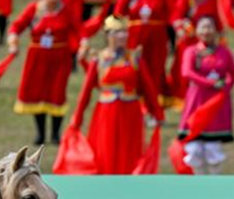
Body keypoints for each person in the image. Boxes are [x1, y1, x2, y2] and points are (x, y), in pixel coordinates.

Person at [70, 15, 164, 174]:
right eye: (117, 32)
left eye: (124, 32)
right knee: (106, 152)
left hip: (130, 113)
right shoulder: (98, 58)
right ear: (108, 35)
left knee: (129, 152)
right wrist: (77, 119)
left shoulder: (135, 57)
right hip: (106, 113)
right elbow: (86, 91)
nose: (122, 36)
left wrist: (157, 114)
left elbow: (148, 88)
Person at [8, 0, 81, 145]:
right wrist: (13, 41)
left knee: (57, 92)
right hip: (37, 57)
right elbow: (16, 26)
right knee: (38, 93)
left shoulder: (66, 11)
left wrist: (82, 45)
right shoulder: (34, 9)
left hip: (60, 58)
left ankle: (55, 134)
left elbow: (79, 30)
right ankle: (40, 133)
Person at [178, 17, 234, 175]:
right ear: (197, 31)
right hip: (197, 100)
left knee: (213, 147)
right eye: (203, 27)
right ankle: (200, 181)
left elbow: (233, 73)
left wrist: (226, 88)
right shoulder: (191, 51)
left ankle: (215, 181)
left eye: (210, 27)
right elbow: (187, 72)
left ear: (216, 31)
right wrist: (210, 83)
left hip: (216, 104)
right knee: (194, 148)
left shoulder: (224, 52)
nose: (207, 31)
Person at [114, 0, 172, 101]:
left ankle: (152, 101)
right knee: (135, 66)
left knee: (155, 68)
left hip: (157, 37)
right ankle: (134, 98)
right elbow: (118, 12)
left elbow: (171, 12)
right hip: (134, 36)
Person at [170, 0, 222, 104]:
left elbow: (216, 17)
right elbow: (176, 16)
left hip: (207, 38)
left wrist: (220, 33)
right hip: (189, 39)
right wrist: (183, 29)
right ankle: (183, 95)